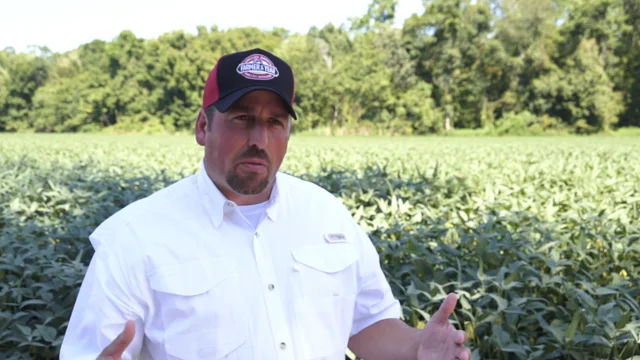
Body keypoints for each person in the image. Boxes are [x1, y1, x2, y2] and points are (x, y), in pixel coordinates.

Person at [60, 48, 471, 360]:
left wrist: (418, 347)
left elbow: (368, 323)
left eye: (275, 122)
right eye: (242, 118)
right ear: (204, 127)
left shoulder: (327, 215)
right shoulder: (136, 236)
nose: (260, 138)